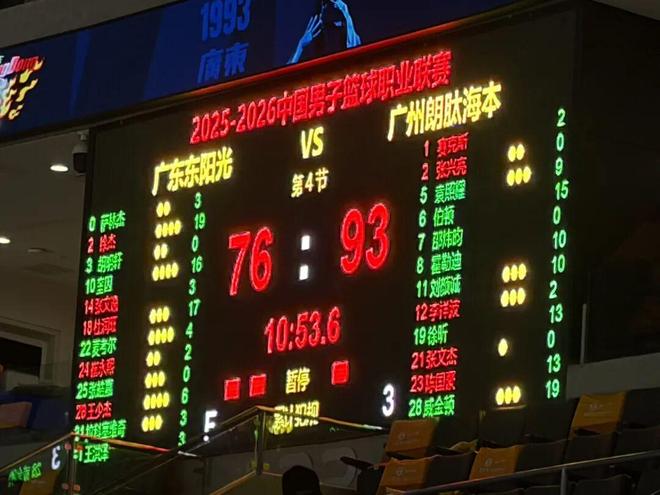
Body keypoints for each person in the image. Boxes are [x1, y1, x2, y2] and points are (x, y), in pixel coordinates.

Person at [288, 0, 362, 64]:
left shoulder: (349, 34)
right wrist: (300, 46)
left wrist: (346, 16)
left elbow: (354, 49)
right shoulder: (317, 40)